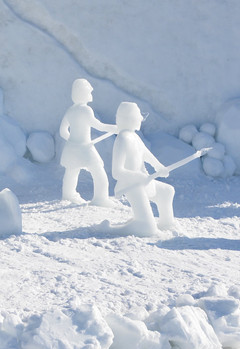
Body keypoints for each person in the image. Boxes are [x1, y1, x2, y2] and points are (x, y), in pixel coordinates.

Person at [111, 101, 175, 237]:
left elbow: (146, 155)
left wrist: (159, 167)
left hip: (143, 181)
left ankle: (167, 223)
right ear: (129, 118)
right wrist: (138, 176)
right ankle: (109, 229)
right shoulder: (122, 139)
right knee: (146, 228)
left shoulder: (134, 137)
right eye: (137, 115)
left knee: (167, 191)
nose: (140, 118)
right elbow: (117, 172)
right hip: (131, 185)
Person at [58, 78, 115, 206]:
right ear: (83, 93)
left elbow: (62, 131)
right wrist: (114, 127)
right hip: (84, 148)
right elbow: (98, 126)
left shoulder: (70, 110)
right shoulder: (85, 110)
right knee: (98, 171)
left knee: (72, 171)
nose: (91, 94)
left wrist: (73, 141)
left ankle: (68, 195)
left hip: (71, 147)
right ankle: (101, 198)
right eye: (89, 92)